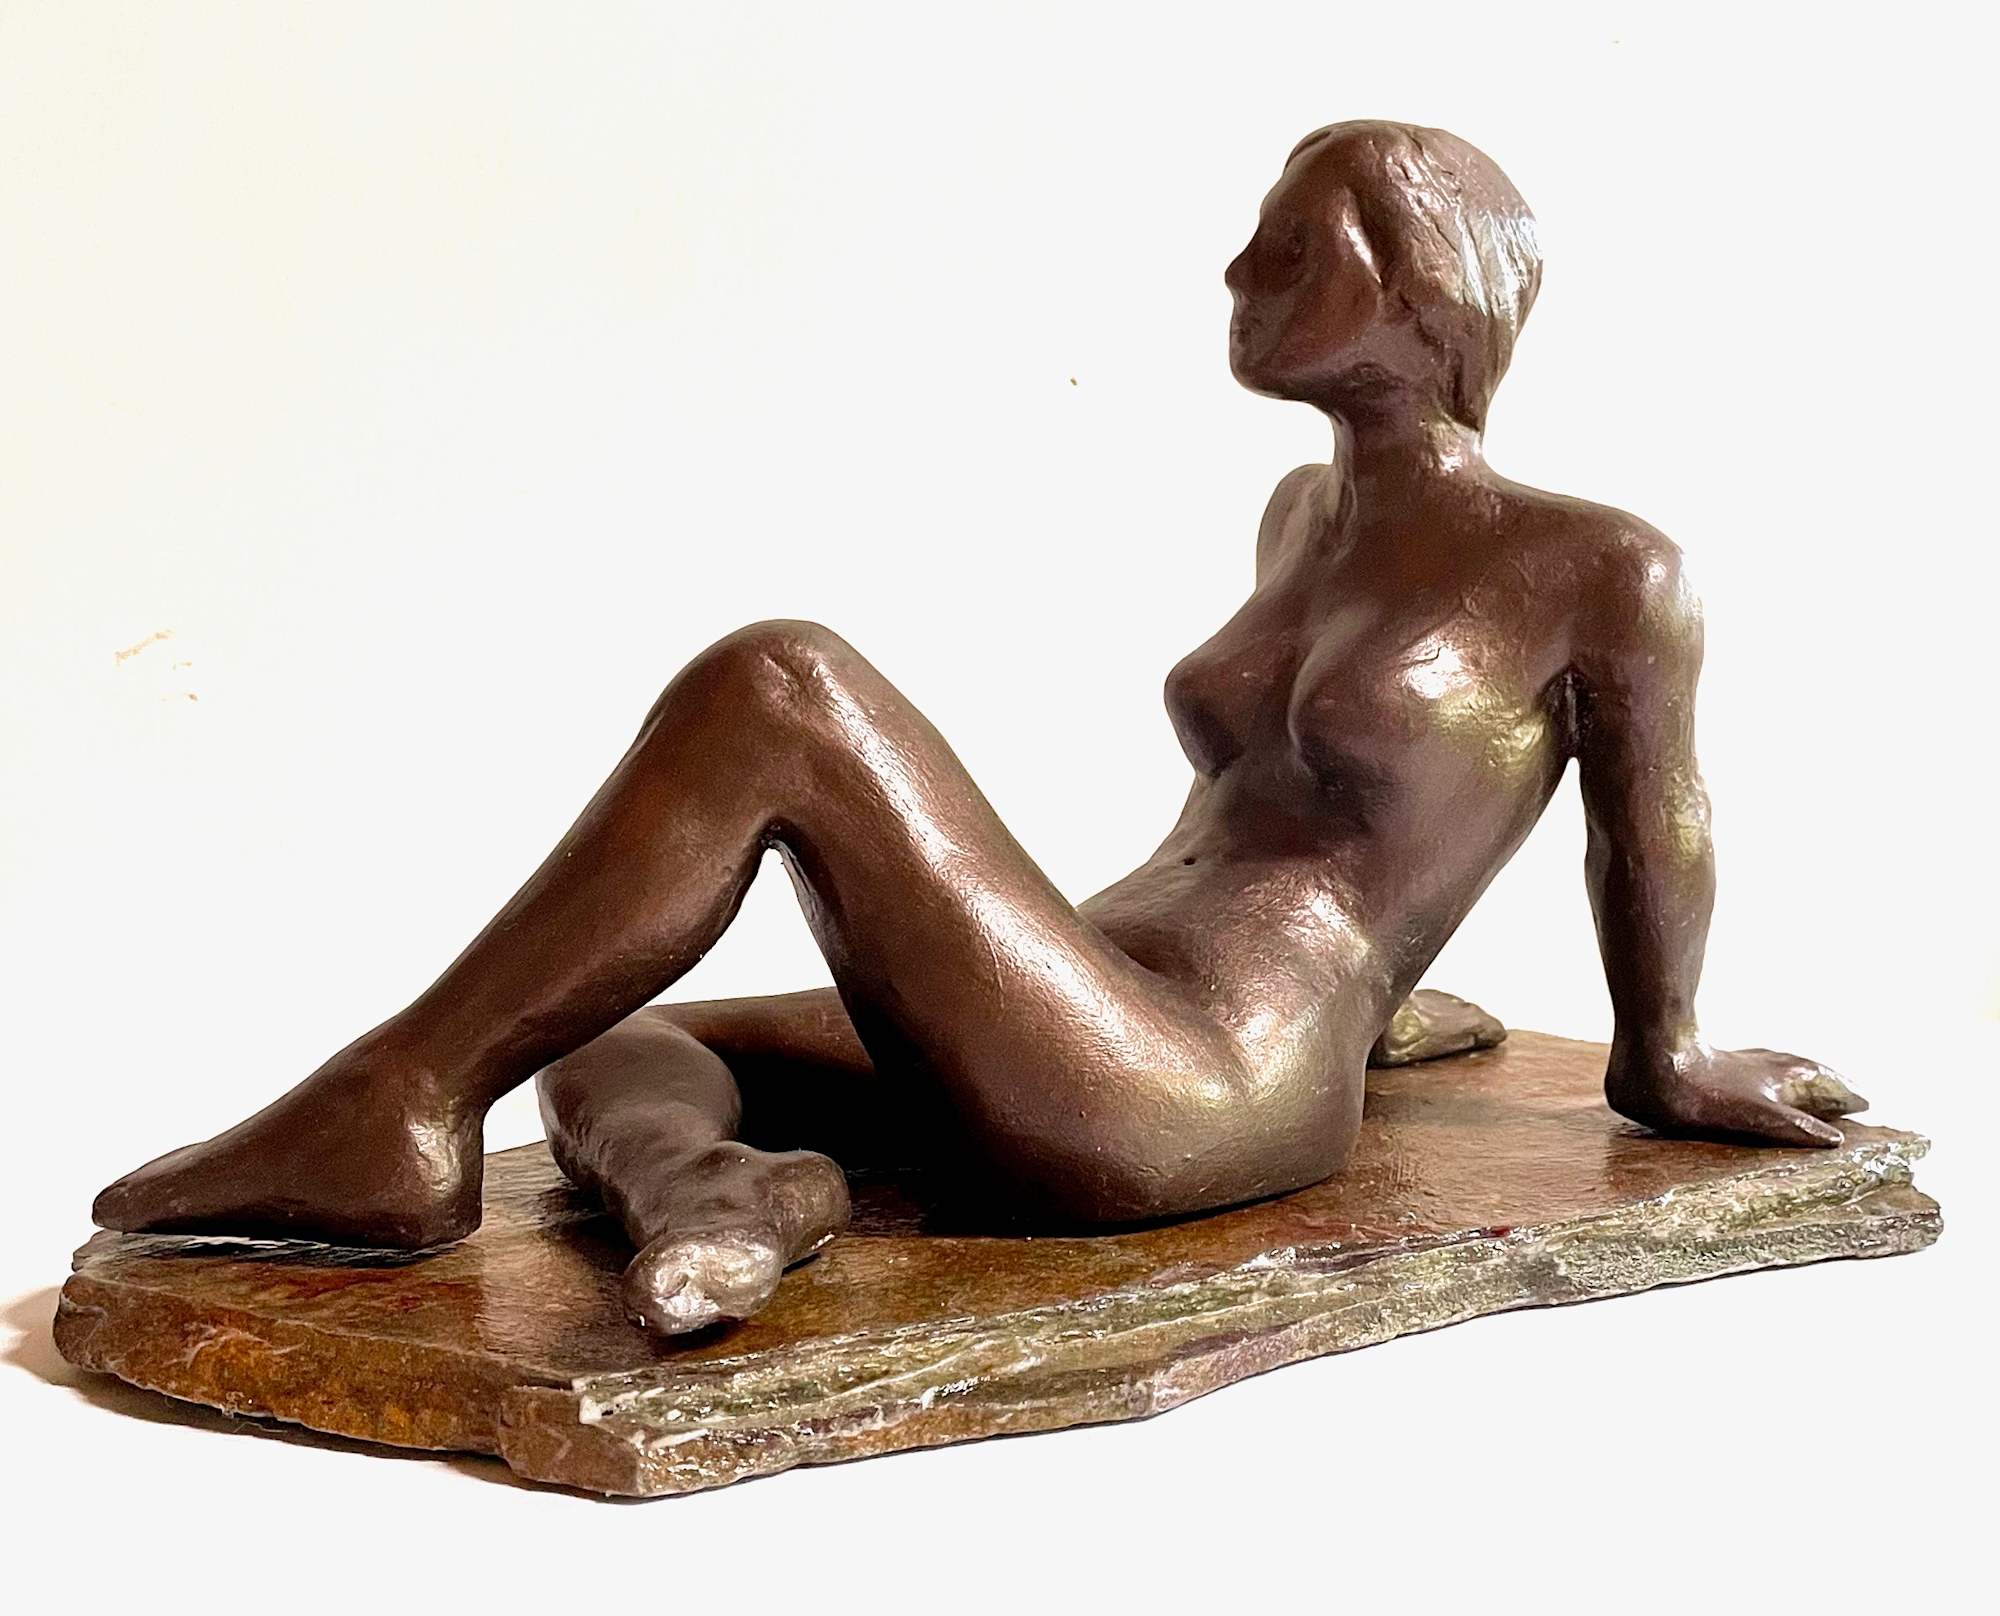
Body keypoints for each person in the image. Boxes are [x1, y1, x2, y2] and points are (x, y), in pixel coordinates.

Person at [93, 121, 1864, 1336]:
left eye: (1291, 244)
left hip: (1202, 1083)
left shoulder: (1599, 567)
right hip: (1088, 992)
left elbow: (1655, 822)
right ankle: (720, 1195)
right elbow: (1317, 816)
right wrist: (1404, 995)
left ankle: (396, 1107)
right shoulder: (1298, 521)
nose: (1237, 265)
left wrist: (1666, 1054)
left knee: (786, 685)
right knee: (618, 1036)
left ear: (1424, 293)